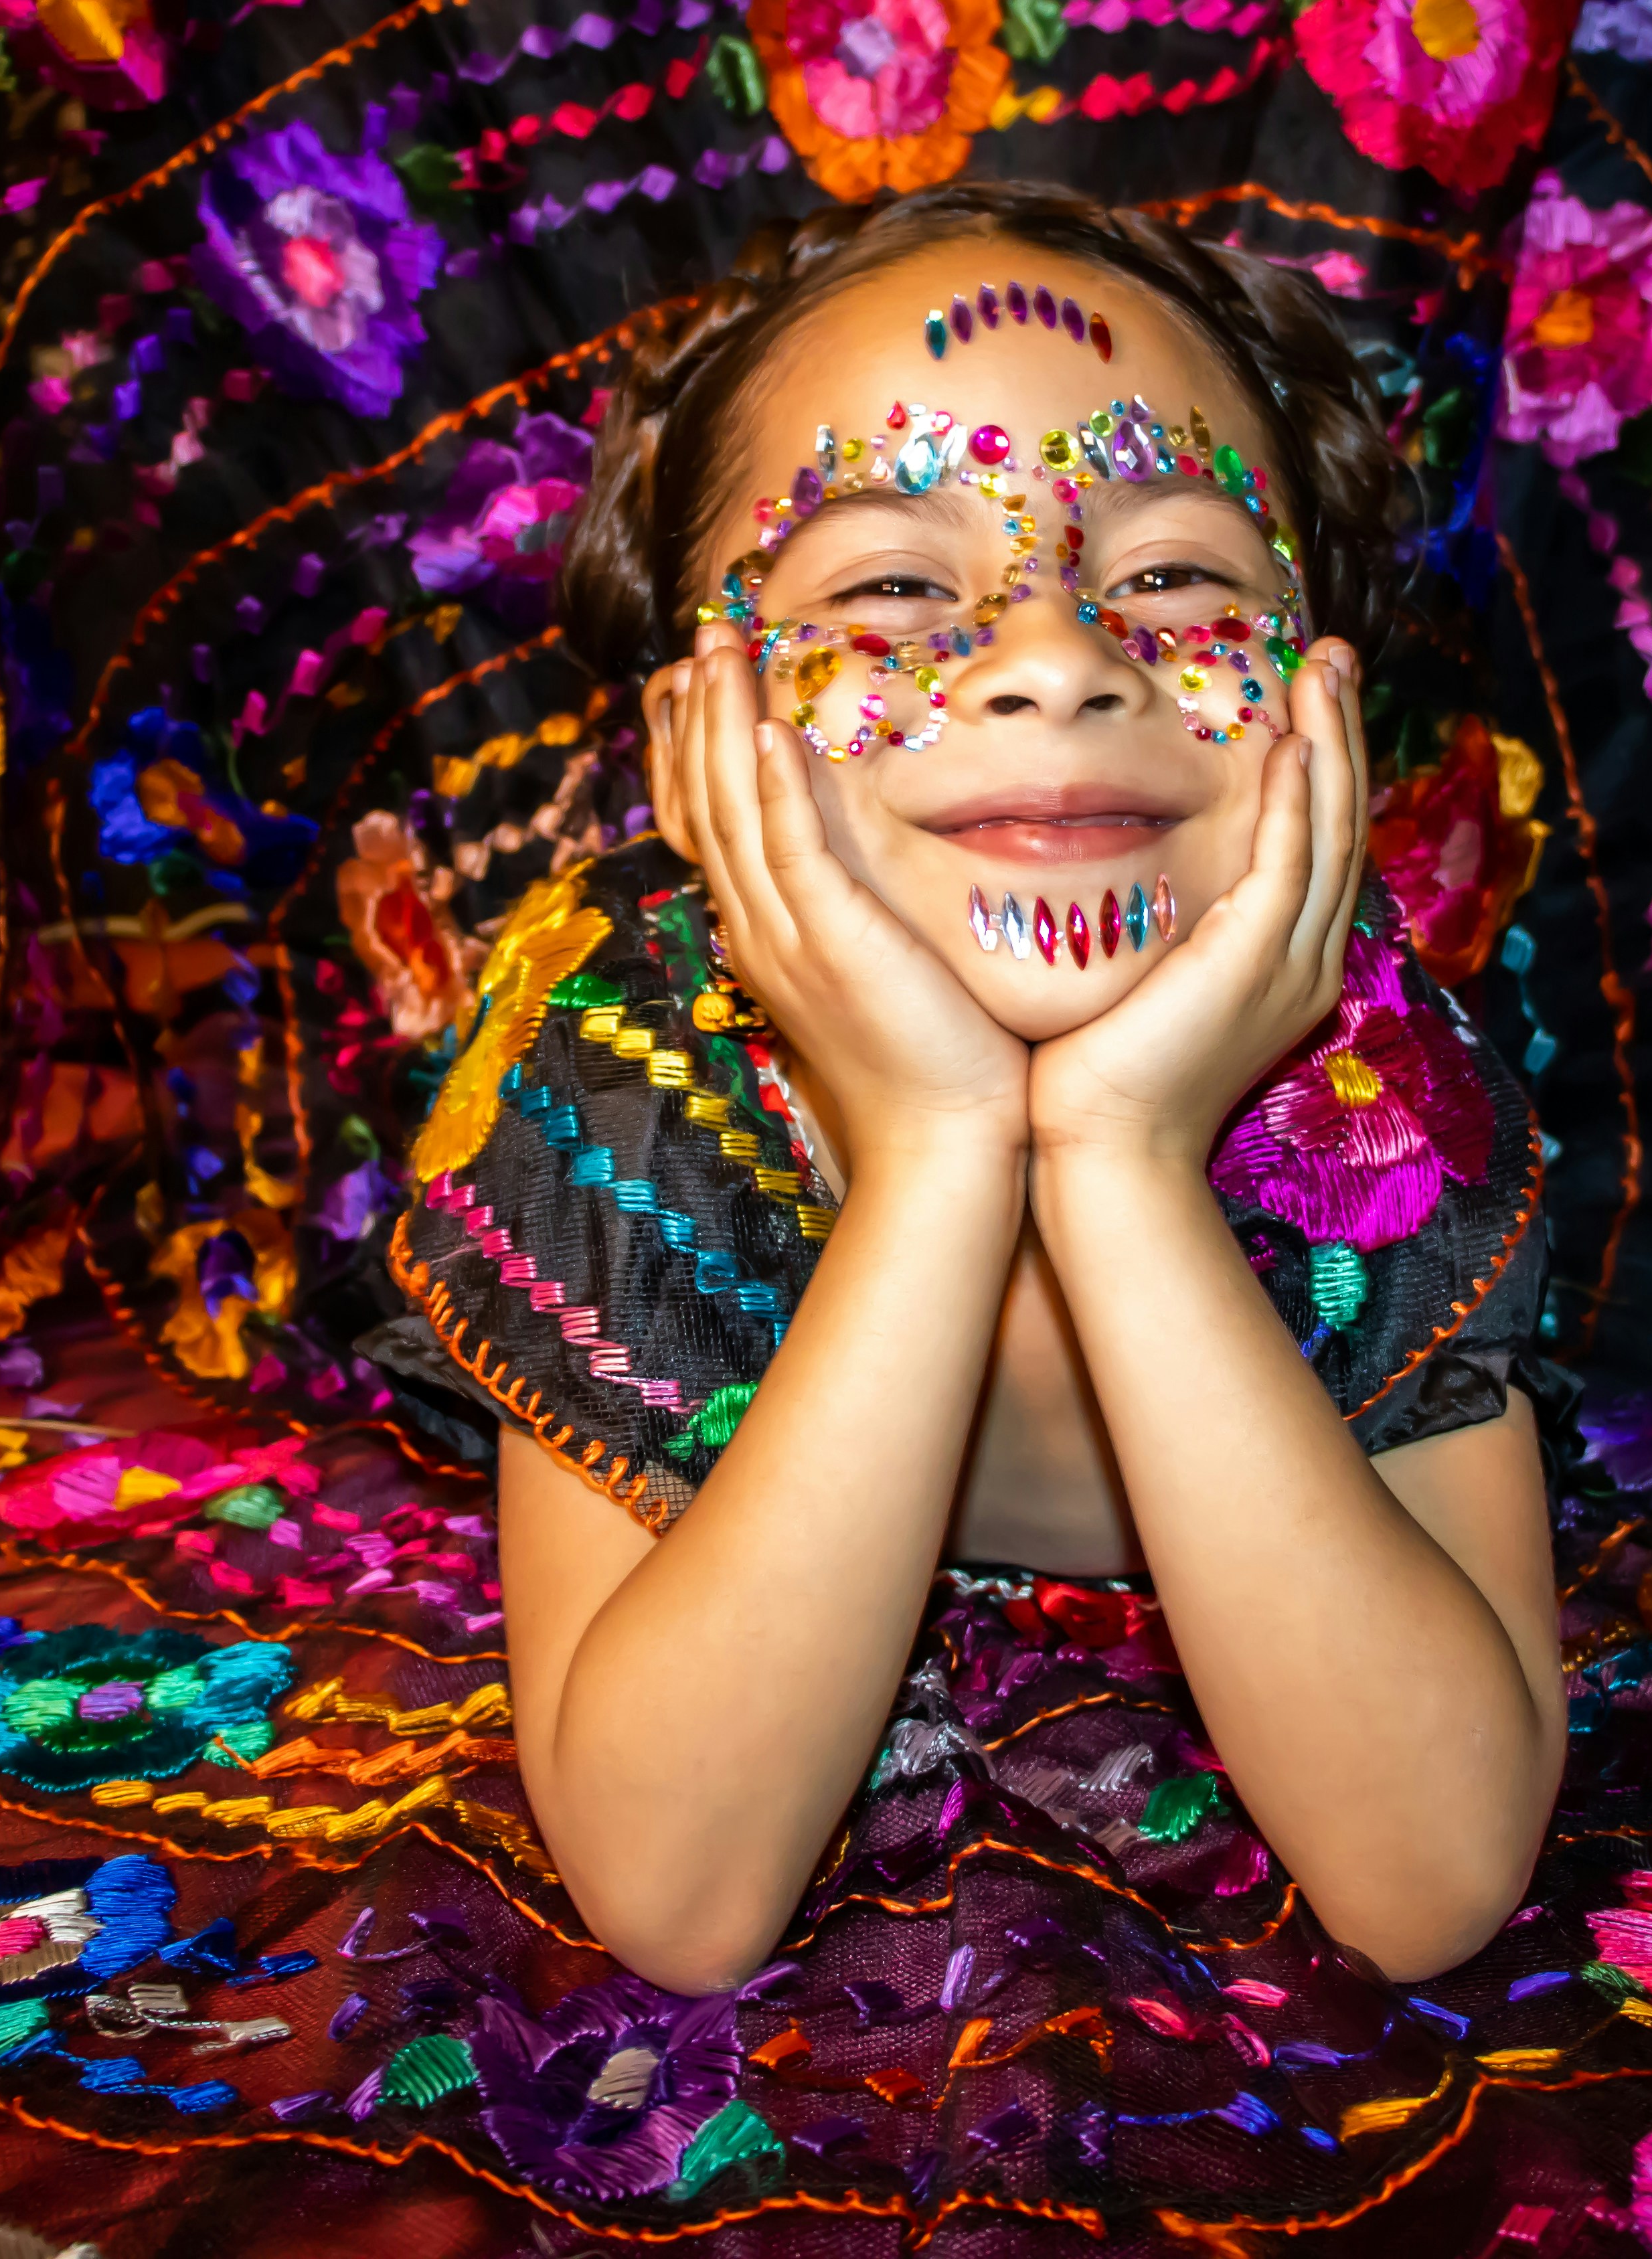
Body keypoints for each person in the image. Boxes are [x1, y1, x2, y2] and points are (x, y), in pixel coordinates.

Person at [378, 181, 1578, 1995]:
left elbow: (1428, 1880)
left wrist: (1123, 1158)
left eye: (1174, 574)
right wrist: (941, 1146)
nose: (1055, 660)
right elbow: (680, 1896)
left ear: (1318, 704)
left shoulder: (1380, 1090)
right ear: (697, 745)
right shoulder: (624, 1079)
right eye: (889, 584)